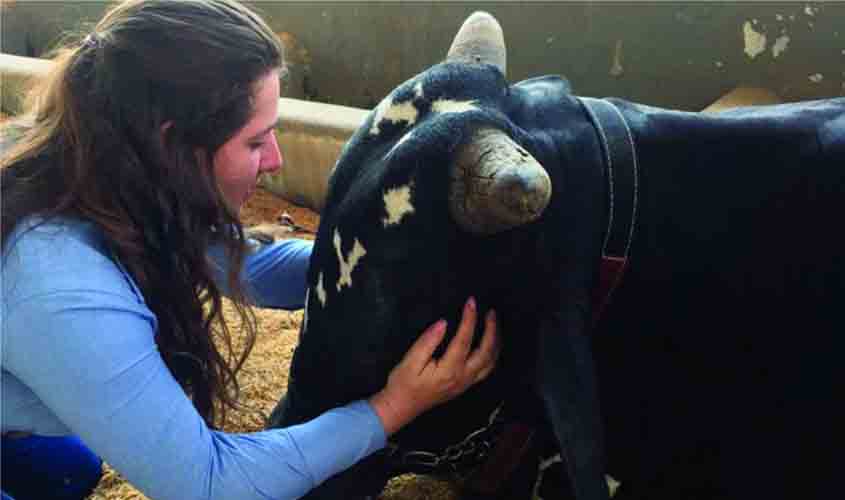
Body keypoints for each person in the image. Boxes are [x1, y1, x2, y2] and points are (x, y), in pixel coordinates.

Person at [0, 1, 500, 499]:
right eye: (256, 142)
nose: (276, 159)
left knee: (70, 471)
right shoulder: (61, 286)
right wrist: (392, 407)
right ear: (174, 145)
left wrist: (391, 262)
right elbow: (211, 484)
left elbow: (246, 262)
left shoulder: (99, 164)